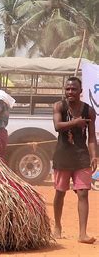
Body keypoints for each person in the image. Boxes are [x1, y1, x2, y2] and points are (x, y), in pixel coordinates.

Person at [52, 77, 97, 244]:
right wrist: (75, 122)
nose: (70, 92)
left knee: (83, 193)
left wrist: (94, 156)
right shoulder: (59, 106)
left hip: (81, 156)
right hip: (62, 155)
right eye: (68, 89)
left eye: (74, 89)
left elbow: (91, 137)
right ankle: (57, 226)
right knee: (60, 192)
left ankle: (82, 233)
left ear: (81, 91)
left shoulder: (89, 111)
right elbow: (57, 126)